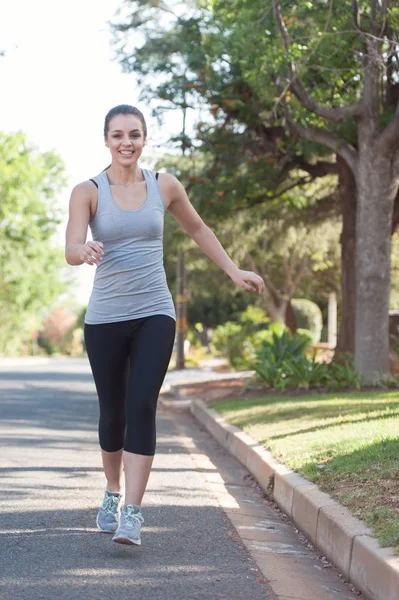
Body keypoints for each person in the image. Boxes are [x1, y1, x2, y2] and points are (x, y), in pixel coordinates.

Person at [65, 104, 265, 547]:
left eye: (134, 134)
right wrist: (85, 252)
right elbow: (71, 247)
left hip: (155, 310)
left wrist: (233, 271)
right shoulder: (88, 191)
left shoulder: (164, 185)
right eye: (117, 135)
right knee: (113, 413)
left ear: (144, 138)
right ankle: (113, 493)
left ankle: (133, 513)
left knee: (142, 405)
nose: (126, 143)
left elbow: (197, 228)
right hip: (105, 317)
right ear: (106, 140)